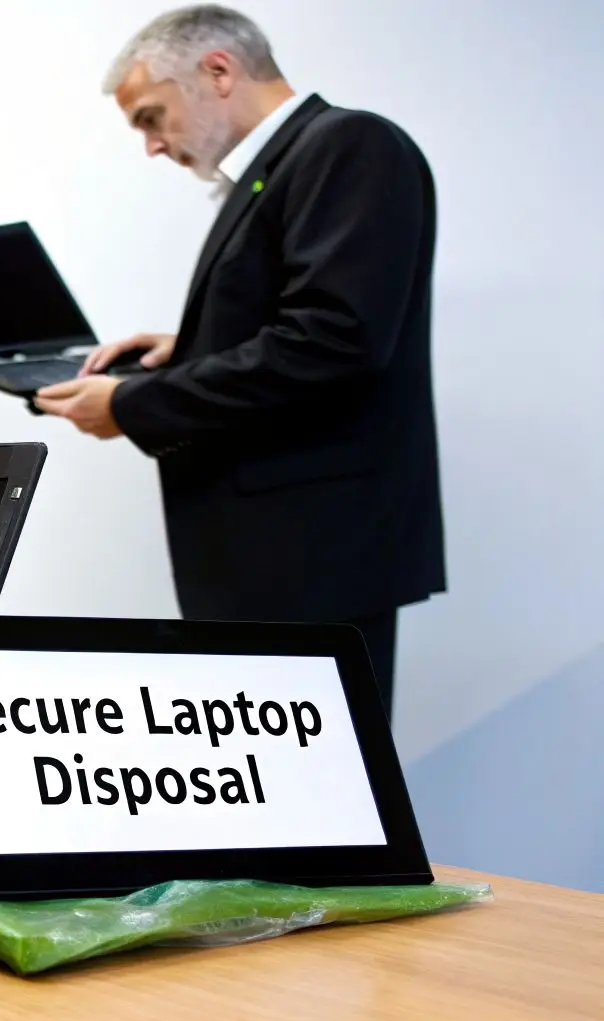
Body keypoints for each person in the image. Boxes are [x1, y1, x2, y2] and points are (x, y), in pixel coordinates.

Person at [31, 4, 443, 717]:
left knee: (326, 810)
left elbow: (333, 340)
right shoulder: (280, 170)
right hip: (277, 567)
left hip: (315, 565)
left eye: (151, 117)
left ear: (217, 71)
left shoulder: (348, 145)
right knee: (283, 808)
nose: (153, 147)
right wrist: (184, 351)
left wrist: (131, 404)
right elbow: (303, 320)